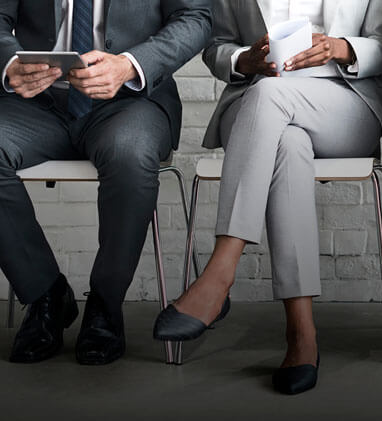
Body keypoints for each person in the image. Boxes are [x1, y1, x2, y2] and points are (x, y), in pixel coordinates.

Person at [153, 0, 382, 395]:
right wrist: (243, 61)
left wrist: (340, 48)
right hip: (256, 107)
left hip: (346, 100)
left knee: (272, 97)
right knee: (287, 140)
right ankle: (301, 333)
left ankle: (220, 274)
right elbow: (217, 48)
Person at [0, 0, 212, 365]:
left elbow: (197, 18)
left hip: (130, 101)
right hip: (36, 102)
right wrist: (9, 61)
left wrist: (131, 64)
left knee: (130, 156)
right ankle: (45, 295)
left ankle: (105, 303)